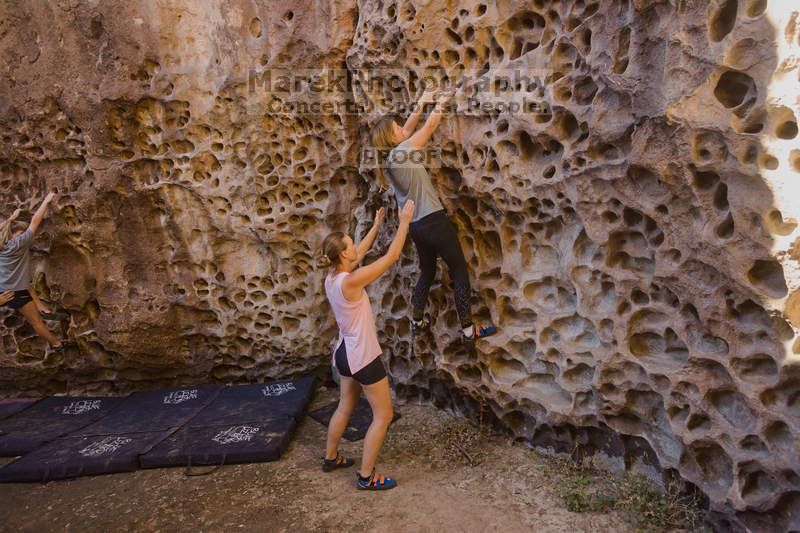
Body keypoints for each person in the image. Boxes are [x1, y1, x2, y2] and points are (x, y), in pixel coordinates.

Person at [370, 85, 498, 344]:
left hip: (416, 227)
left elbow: (407, 131)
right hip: (434, 220)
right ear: (390, 138)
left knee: (427, 272)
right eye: (395, 129)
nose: (400, 129)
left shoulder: (389, 161)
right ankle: (467, 330)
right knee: (459, 269)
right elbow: (426, 130)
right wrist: (443, 101)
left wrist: (423, 100)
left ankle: (416, 320)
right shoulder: (402, 152)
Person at [320, 199, 415, 490]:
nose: (355, 247)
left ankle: (331, 457)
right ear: (344, 255)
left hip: (345, 354)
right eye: (351, 244)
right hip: (363, 356)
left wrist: (375, 225)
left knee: (345, 405)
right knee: (383, 415)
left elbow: (360, 252)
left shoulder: (333, 277)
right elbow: (392, 256)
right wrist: (404, 222)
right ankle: (366, 476)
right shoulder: (352, 281)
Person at [0, 193, 62, 349]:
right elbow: (35, 221)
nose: (23, 236)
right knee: (36, 322)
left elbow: (5, 228)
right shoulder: (18, 244)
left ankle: (42, 308)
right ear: (14, 236)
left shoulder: (3, 244)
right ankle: (56, 344)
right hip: (14, 293)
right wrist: (46, 201)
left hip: (6, 285)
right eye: (20, 234)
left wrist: (11, 219)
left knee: (27, 282)